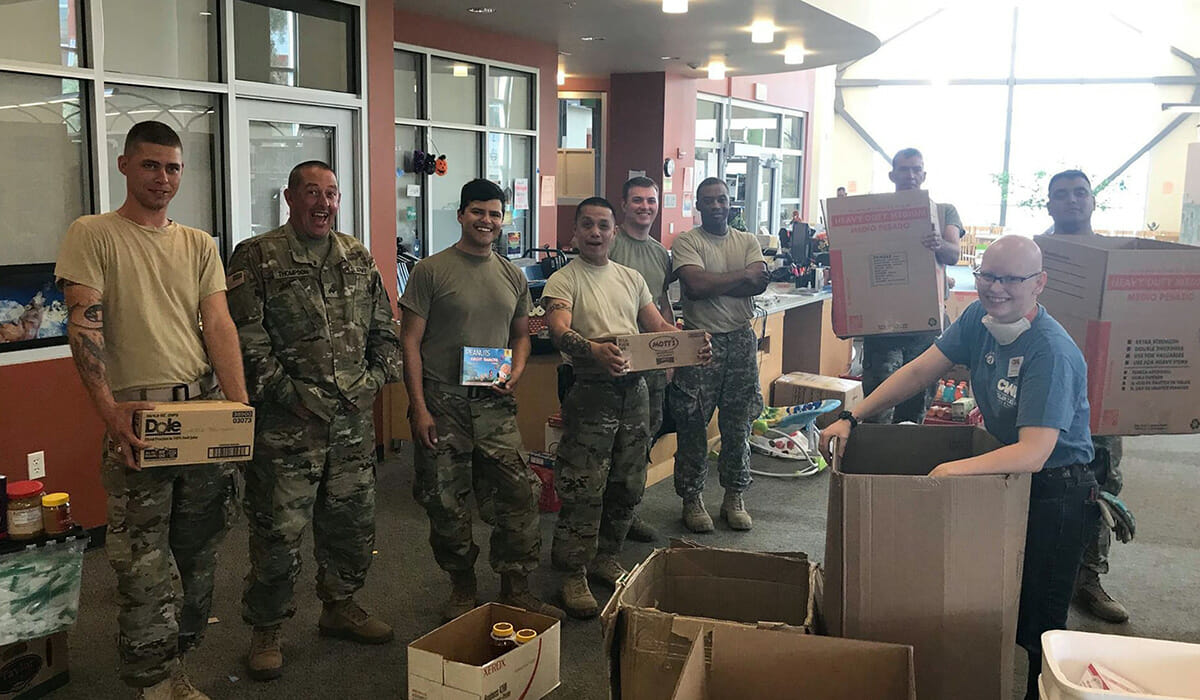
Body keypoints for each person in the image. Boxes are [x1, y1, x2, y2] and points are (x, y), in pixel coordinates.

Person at [820, 235, 1099, 700]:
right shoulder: (978, 320)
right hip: (1002, 477)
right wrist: (852, 415)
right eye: (988, 275)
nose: (997, 288)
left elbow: (1034, 451)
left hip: (1056, 489)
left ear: (1040, 284)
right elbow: (916, 372)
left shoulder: (1050, 352)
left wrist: (952, 471)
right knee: (987, 600)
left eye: (1013, 279)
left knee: (1038, 624)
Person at [55, 120, 249, 700]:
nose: (162, 178)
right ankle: (152, 681)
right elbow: (83, 323)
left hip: (198, 414)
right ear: (124, 166)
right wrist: (108, 411)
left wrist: (239, 411)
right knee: (141, 563)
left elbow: (218, 324)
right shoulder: (93, 234)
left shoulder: (197, 243)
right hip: (137, 421)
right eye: (150, 165)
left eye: (172, 167)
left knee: (198, 555)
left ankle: (177, 663)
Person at [226, 161, 401, 681]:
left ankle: (340, 606)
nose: (322, 203)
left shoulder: (356, 255)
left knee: (351, 525)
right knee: (278, 534)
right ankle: (267, 630)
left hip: (351, 425)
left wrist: (370, 383)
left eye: (331, 194)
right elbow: (245, 340)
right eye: (311, 193)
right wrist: (288, 394)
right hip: (286, 429)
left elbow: (384, 330)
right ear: (289, 197)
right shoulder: (257, 257)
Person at [399, 178, 564, 623]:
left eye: (494, 213)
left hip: (494, 404)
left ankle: (516, 586)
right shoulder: (430, 271)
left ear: (502, 219)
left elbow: (520, 334)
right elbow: (409, 342)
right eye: (477, 212)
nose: (486, 221)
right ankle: (461, 587)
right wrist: (419, 407)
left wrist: (517, 369)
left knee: (520, 494)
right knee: (445, 502)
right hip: (443, 402)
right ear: (460, 215)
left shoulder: (511, 274)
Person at [542, 196, 706, 618]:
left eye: (603, 226)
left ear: (614, 233)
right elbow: (559, 330)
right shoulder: (564, 279)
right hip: (590, 389)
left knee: (629, 479)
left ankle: (605, 554)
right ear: (575, 233)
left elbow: (658, 328)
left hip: (635, 389)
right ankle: (573, 571)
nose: (596, 233)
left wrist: (689, 346)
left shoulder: (632, 278)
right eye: (588, 226)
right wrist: (593, 350)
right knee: (584, 484)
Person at [1044, 168, 1130, 623]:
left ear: (1093, 201)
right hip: (1043, 388)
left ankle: (1088, 579)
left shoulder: (1117, 258)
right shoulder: (1034, 255)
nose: (1072, 201)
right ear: (1049, 205)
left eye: (1080, 193)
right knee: (1034, 482)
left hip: (1100, 390)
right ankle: (1025, 573)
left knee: (1098, 487)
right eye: (1061, 195)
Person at [670, 177, 768, 533]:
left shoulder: (747, 240)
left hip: (741, 340)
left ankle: (734, 496)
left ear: (731, 204)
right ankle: (692, 498)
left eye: (721, 200)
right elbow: (694, 287)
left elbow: (760, 282)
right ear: (698, 205)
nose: (715, 206)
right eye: (708, 201)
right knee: (693, 423)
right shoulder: (687, 241)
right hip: (701, 343)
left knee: (738, 424)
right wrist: (740, 276)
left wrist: (718, 281)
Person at [859, 148, 964, 424]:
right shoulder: (873, 212)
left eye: (917, 169)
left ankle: (903, 463)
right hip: (882, 326)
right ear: (892, 174)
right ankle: (870, 464)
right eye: (904, 169)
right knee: (876, 407)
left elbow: (954, 253)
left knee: (914, 409)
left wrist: (937, 242)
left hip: (924, 328)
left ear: (924, 174)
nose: (911, 175)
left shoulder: (943, 212)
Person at [609, 176, 675, 543]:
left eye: (651, 201)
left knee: (645, 435)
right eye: (637, 200)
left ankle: (627, 511)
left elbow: (662, 304)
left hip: (650, 360)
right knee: (613, 439)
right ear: (624, 204)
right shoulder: (609, 242)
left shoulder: (659, 252)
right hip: (614, 357)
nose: (645, 207)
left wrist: (672, 353)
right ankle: (605, 511)